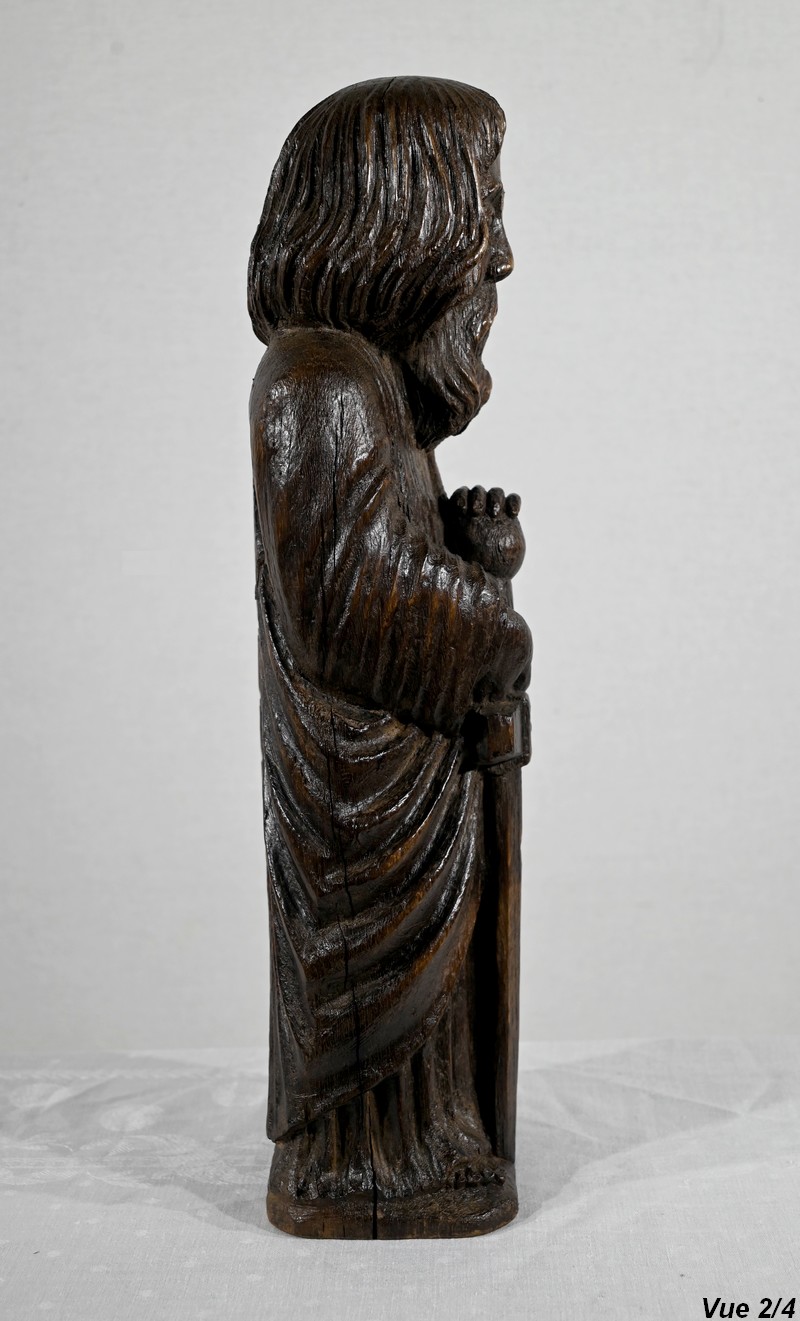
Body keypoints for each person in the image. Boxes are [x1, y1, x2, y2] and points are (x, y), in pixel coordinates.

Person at [248, 76, 532, 1238]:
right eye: (482, 213)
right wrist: (492, 627)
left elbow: (391, 561)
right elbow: (348, 603)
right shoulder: (318, 380)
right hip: (361, 794)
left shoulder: (372, 390)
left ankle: (423, 1143)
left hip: (405, 777)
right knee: (376, 992)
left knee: (430, 989)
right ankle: (371, 1163)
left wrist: (472, 556)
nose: (500, 258)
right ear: (400, 220)